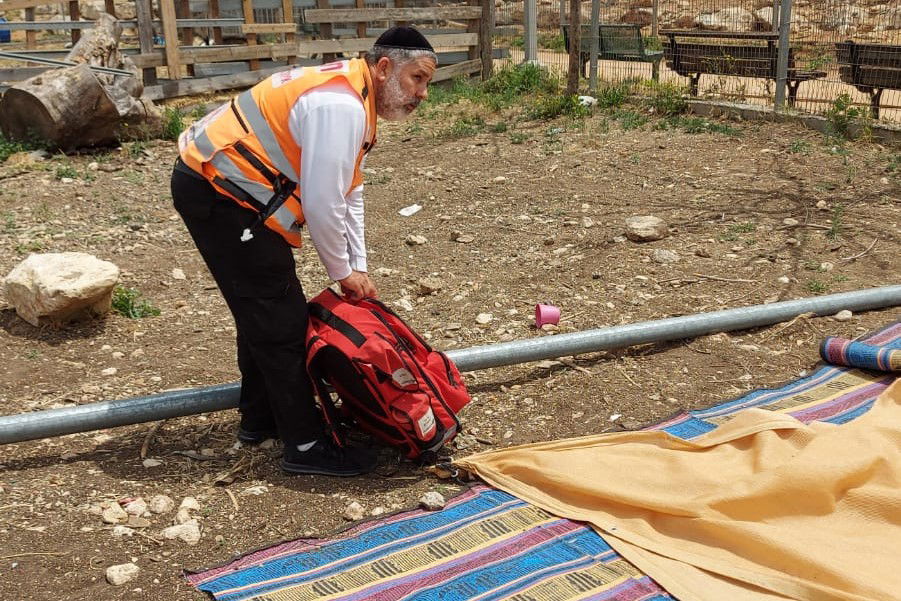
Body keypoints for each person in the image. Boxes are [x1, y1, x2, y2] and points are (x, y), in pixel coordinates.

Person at [169, 27, 437, 476]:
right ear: (384, 67)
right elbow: (322, 201)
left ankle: (260, 421)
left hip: (227, 190)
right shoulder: (341, 105)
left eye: (427, 83)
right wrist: (342, 272)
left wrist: (357, 265)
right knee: (282, 322)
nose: (422, 94)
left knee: (262, 309)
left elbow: (350, 191)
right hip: (220, 193)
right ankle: (306, 444)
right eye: (417, 79)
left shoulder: (354, 96)